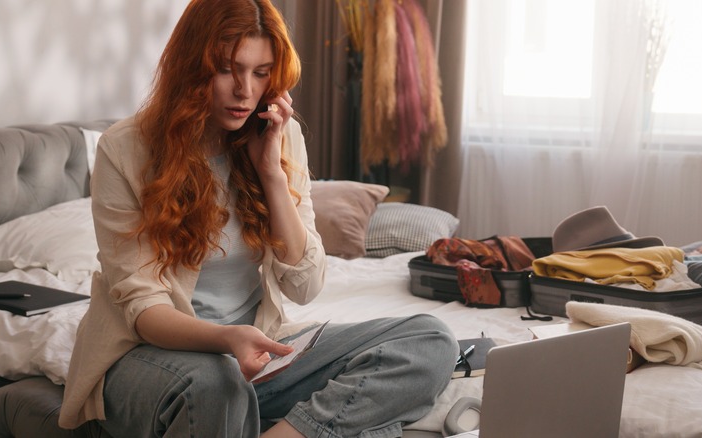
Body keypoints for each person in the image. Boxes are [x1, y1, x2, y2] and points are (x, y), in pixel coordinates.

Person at [58, 0, 458, 436]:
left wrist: (270, 171)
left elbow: (305, 286)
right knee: (218, 384)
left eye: (261, 72)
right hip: (149, 355)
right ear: (192, 66)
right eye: (228, 69)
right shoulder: (125, 149)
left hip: (255, 358)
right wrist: (227, 339)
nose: (245, 90)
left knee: (429, 340)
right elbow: (144, 310)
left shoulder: (281, 137)